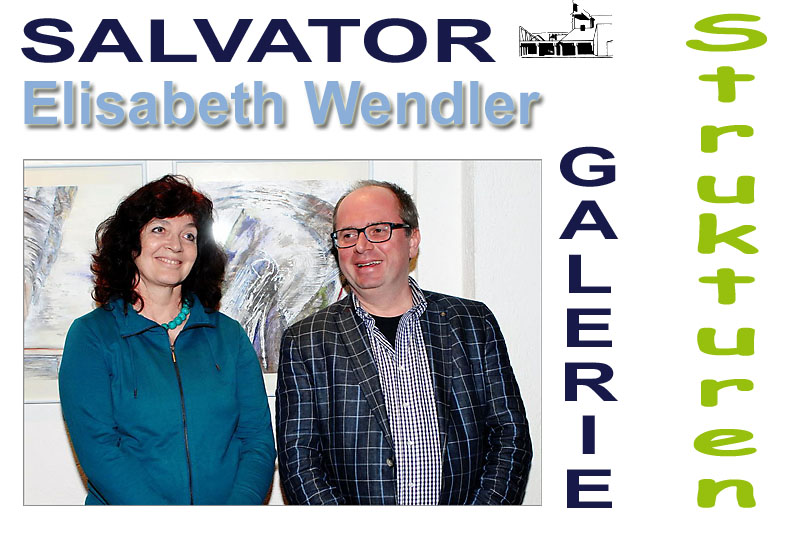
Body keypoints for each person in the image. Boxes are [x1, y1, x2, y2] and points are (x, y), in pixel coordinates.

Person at [276, 180, 532, 505]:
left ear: (412, 241)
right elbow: (299, 463)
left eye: (378, 230)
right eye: (348, 235)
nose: (361, 246)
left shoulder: (472, 323)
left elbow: (510, 436)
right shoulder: (305, 341)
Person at [59, 175, 276, 505]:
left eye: (189, 235)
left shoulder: (229, 336)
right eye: (159, 229)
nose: (176, 245)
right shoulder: (91, 336)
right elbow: (100, 451)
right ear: (131, 242)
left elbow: (257, 440)